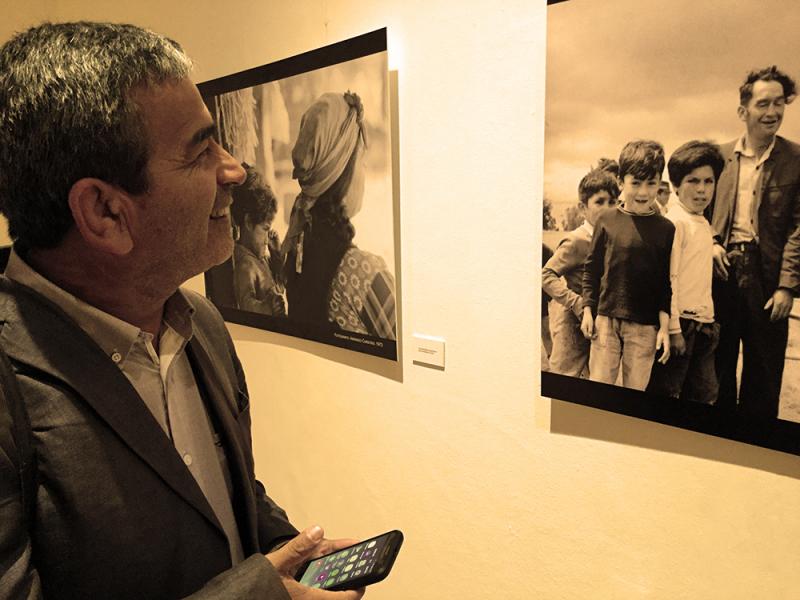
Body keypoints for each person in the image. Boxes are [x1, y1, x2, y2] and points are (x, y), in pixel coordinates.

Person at [0, 22, 364, 600]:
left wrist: (290, 555)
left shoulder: (202, 324)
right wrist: (258, 593)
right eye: (200, 151)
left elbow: (221, 494)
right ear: (105, 213)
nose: (235, 170)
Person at [709, 65, 800, 418]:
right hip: (722, 271)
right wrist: (713, 242)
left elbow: (798, 228)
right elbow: (697, 210)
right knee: (716, 368)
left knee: (763, 376)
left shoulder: (796, 160)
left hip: (768, 281)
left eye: (779, 103)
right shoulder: (717, 157)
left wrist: (787, 287)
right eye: (764, 104)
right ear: (743, 111)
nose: (773, 112)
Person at [282, 92, 396, 340]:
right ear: (342, 172)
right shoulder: (364, 273)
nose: (364, 173)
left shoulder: (299, 251)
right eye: (361, 161)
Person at [581, 141, 674, 391]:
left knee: (634, 396)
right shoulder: (606, 220)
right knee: (598, 394)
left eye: (651, 183)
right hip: (605, 321)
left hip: (645, 328)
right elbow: (592, 269)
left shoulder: (666, 229)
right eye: (635, 183)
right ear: (621, 182)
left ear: (659, 183)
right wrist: (588, 310)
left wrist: (664, 329)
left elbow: (665, 283)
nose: (643, 191)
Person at [647, 141, 725, 403]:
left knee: (705, 393)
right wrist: (675, 329)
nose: (702, 190)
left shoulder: (702, 222)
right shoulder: (675, 222)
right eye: (693, 181)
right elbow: (669, 279)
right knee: (669, 392)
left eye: (709, 181)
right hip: (681, 326)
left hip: (704, 324)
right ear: (677, 185)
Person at [542, 159, 619, 377]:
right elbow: (546, 276)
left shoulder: (614, 239)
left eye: (612, 202)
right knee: (564, 378)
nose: (607, 208)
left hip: (602, 323)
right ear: (583, 208)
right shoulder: (577, 240)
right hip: (574, 324)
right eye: (599, 201)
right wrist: (576, 303)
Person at [231, 164, 286, 316]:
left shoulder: (260, 259)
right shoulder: (245, 265)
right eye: (265, 229)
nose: (267, 240)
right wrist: (267, 307)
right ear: (249, 222)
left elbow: (279, 287)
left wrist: (276, 258)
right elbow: (246, 305)